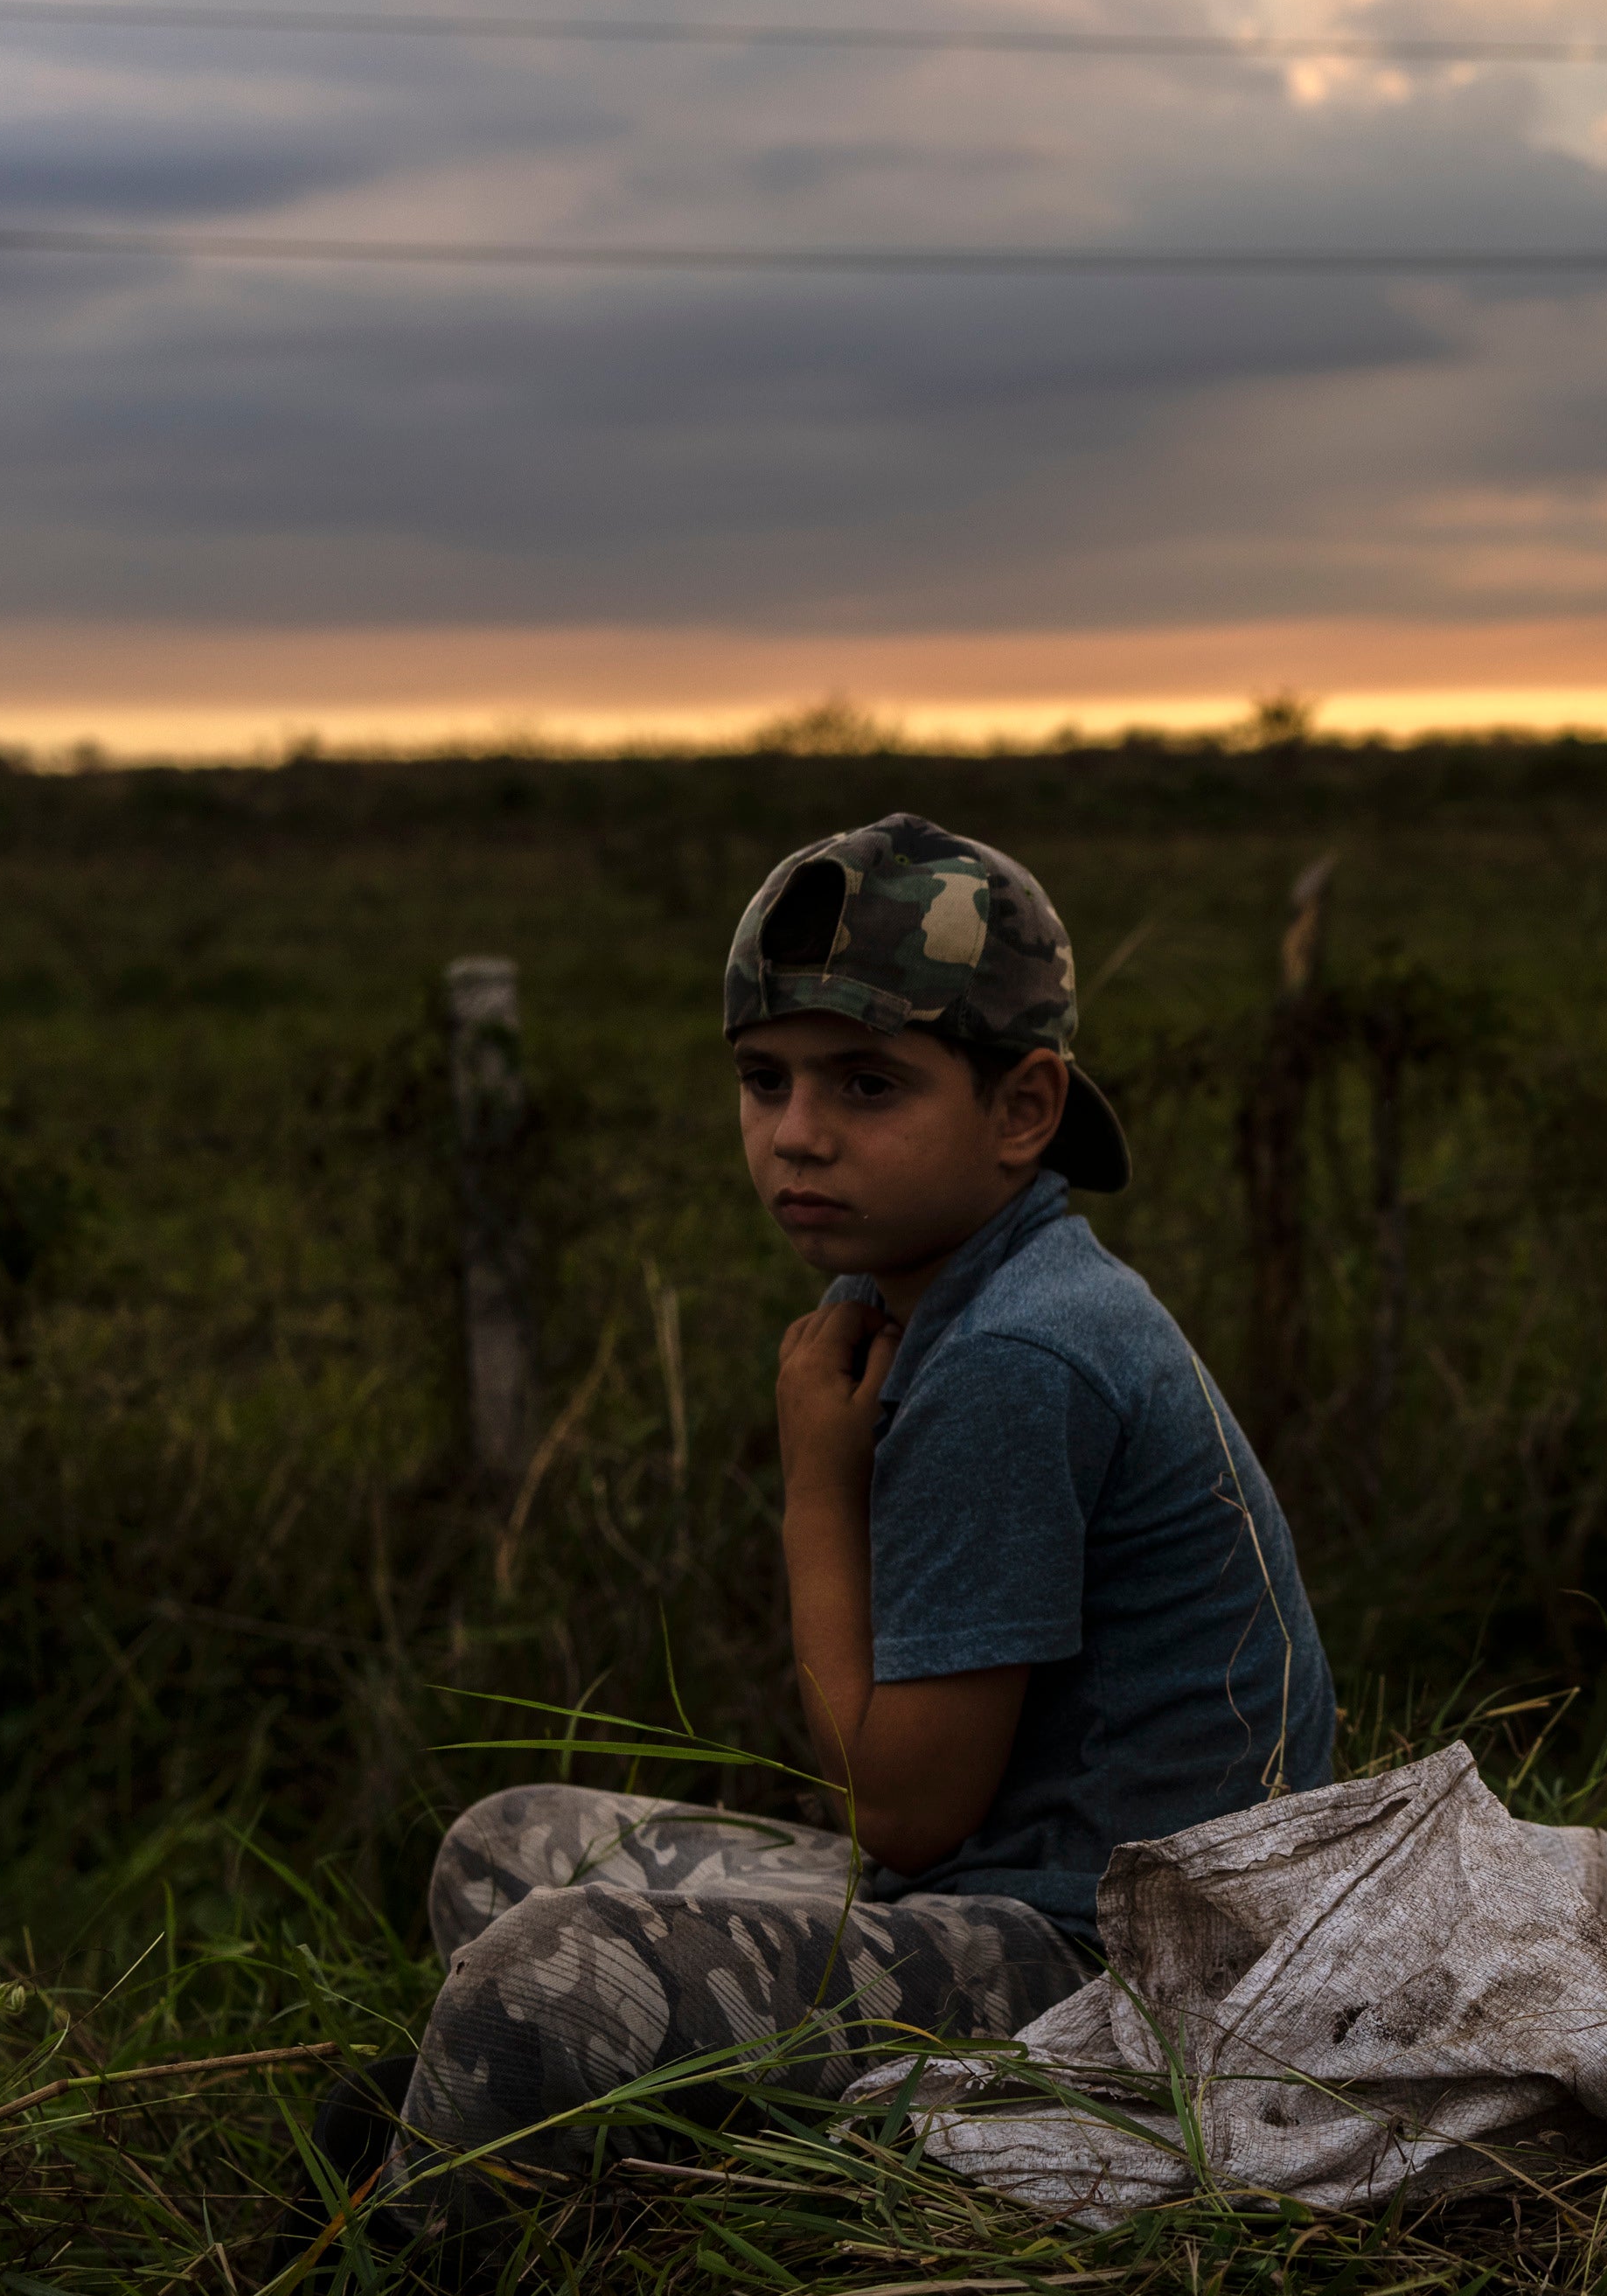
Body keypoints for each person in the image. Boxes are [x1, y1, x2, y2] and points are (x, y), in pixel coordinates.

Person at [388, 816, 1338, 2188]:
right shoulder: (931, 1293)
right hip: (993, 1898)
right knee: (503, 1850)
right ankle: (660, 2168)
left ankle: (426, 2290)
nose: (798, 1136)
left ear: (1021, 1109)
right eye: (764, 1081)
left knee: (546, 1972)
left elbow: (902, 1815)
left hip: (1130, 1975)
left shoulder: (1017, 1353)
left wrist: (816, 1493)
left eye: (867, 1086)